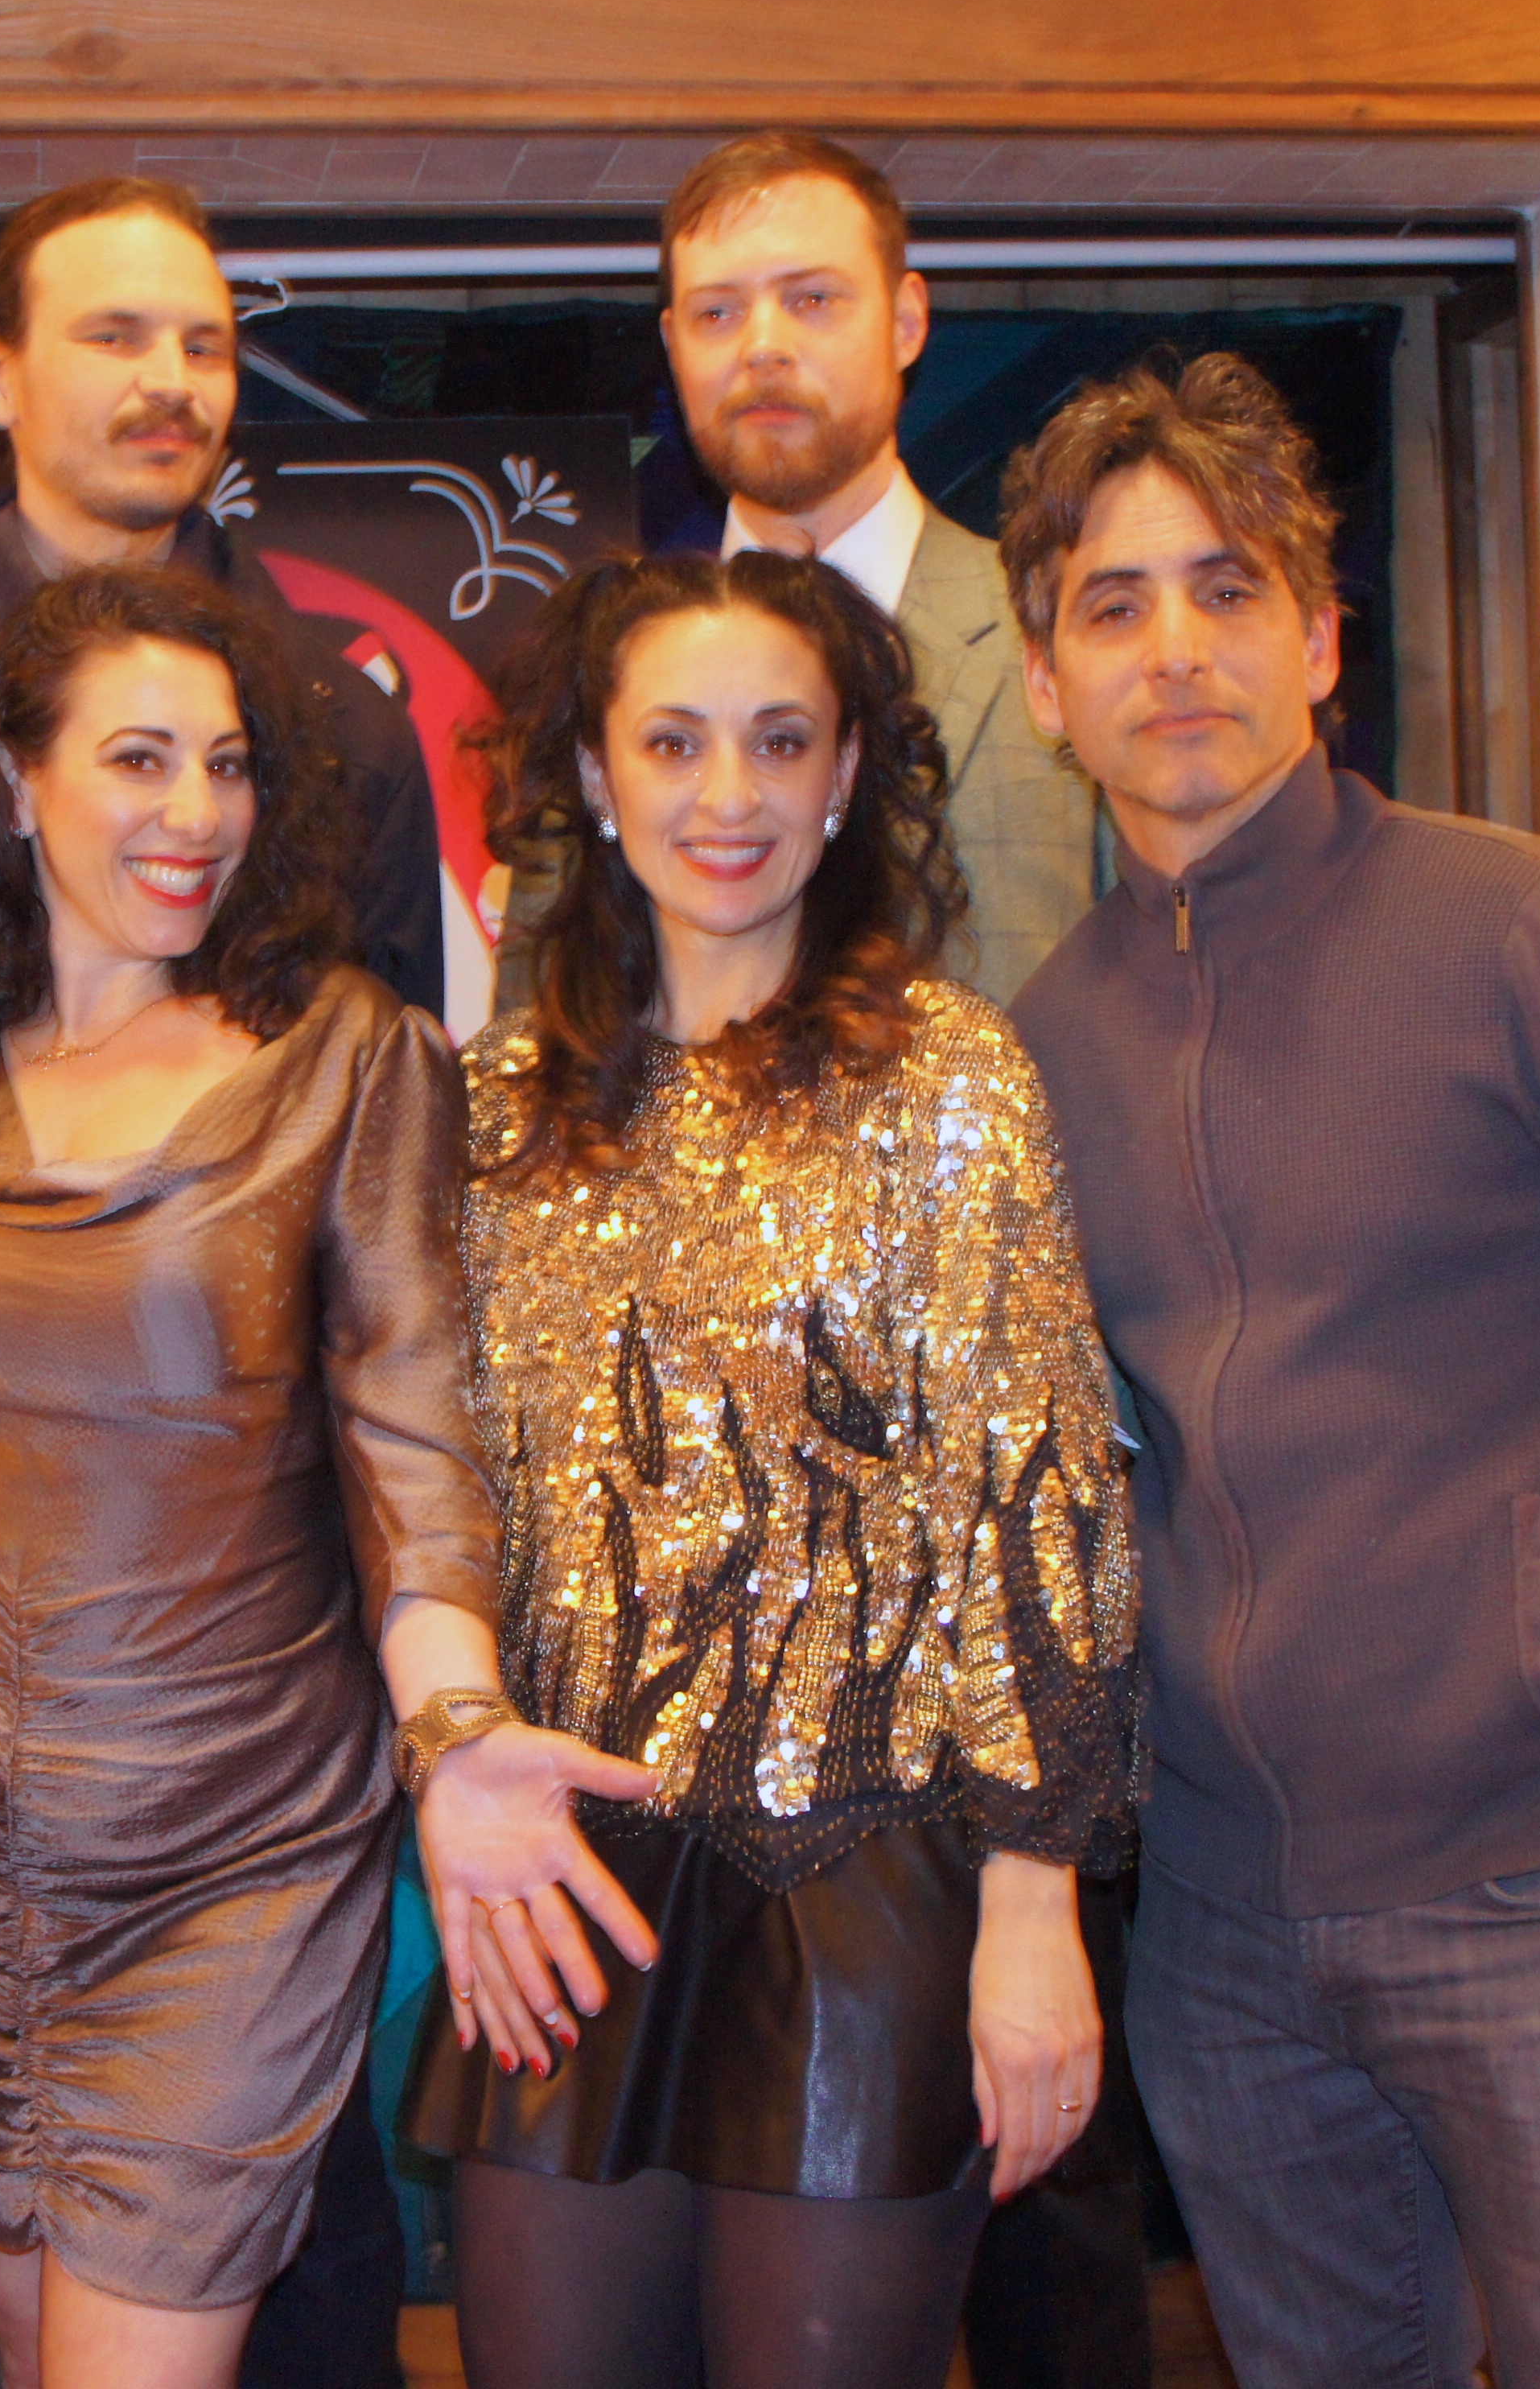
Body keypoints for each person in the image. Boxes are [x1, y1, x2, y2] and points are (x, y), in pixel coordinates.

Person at [0, 563, 656, 2389]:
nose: (196, 812)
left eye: (229, 764)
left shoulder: (345, 1057)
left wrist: (458, 1723)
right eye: (140, 758)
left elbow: (416, 1445)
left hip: (223, 1860)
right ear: (15, 781)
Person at [1001, 352, 1540, 2387]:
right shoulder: (1041, 1044)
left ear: (1319, 639)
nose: (1174, 648)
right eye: (1114, 607)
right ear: (1045, 685)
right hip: (1224, 1925)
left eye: (1226, 589)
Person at [401, 550, 1142, 2389]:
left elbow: (1035, 1498)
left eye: (779, 740)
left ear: (844, 775)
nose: (726, 794)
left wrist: (1034, 1907)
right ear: (596, 774)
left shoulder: (948, 1077)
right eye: (674, 741)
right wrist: (450, 1752)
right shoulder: (494, 1108)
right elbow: (428, 1491)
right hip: (567, 1884)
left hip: (867, 1880)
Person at [0, 172, 447, 1165]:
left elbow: (394, 1150)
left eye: (203, 347)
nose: (170, 381)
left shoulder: (343, 735)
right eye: (115, 337)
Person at [661, 130, 1100, 1004]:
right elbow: (540, 1050)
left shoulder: (1061, 630)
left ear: (905, 322)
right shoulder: (607, 678)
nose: (762, 346)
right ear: (673, 346)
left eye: (812, 299)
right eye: (717, 313)